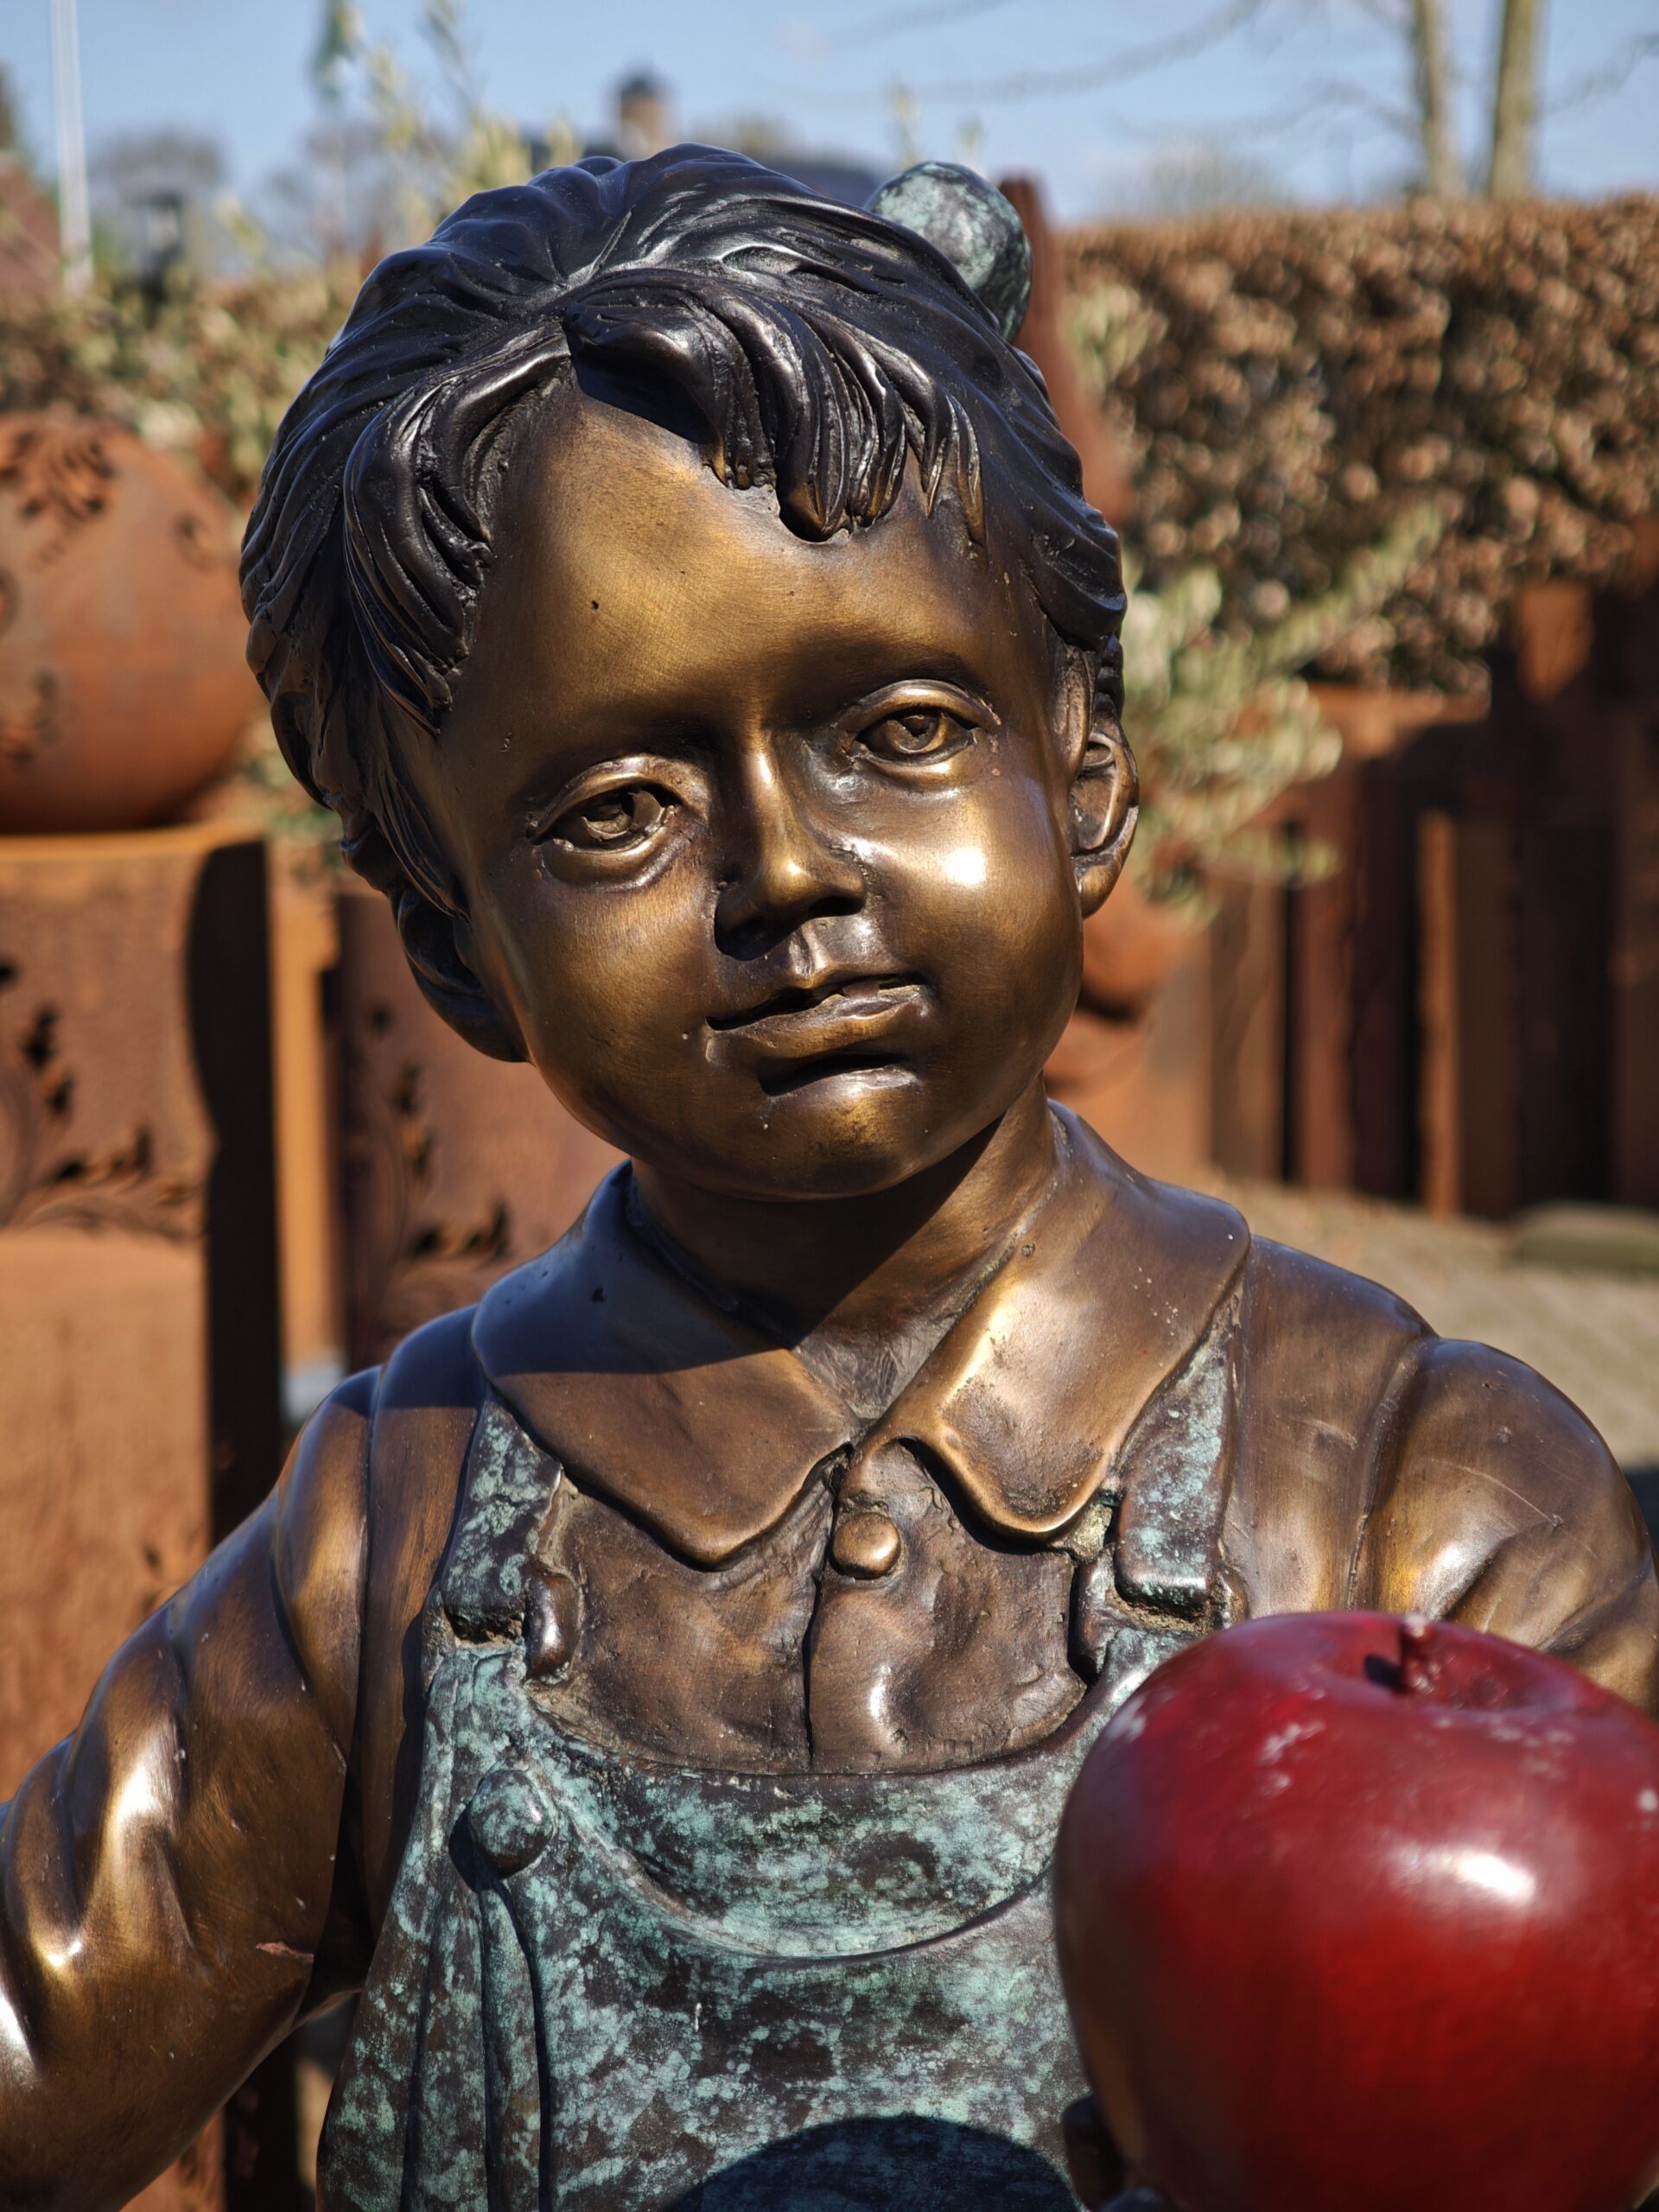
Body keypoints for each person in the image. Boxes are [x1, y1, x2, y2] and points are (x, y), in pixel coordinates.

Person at [2, 149, 1653, 2211]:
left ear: (1087, 755)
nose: (789, 872)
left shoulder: (1418, 1499)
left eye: (896, 723)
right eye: (616, 808)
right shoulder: (392, 1526)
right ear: (447, 937)